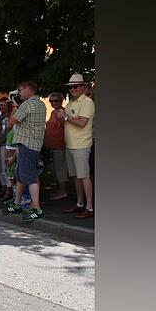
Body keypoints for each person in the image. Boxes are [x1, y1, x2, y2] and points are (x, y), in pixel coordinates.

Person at [4, 81, 47, 221]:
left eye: (20, 90)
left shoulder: (27, 105)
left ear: (28, 89)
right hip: (32, 144)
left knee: (29, 176)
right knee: (20, 174)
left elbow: (10, 124)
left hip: (27, 145)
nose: (19, 93)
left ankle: (37, 208)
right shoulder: (40, 103)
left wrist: (15, 106)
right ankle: (17, 204)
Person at [61, 74, 95, 218]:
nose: (72, 89)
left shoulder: (87, 102)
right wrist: (64, 118)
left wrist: (66, 117)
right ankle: (80, 204)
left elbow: (82, 123)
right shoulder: (71, 103)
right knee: (76, 176)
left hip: (81, 145)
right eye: (70, 87)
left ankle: (90, 207)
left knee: (84, 176)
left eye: (75, 86)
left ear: (82, 87)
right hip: (70, 144)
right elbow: (66, 123)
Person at [44, 92, 69, 200]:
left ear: (61, 101)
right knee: (55, 169)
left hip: (59, 145)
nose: (53, 103)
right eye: (51, 101)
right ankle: (59, 190)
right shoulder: (54, 112)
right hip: (51, 145)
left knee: (60, 169)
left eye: (56, 101)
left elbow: (66, 128)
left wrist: (63, 118)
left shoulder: (62, 112)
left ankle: (62, 191)